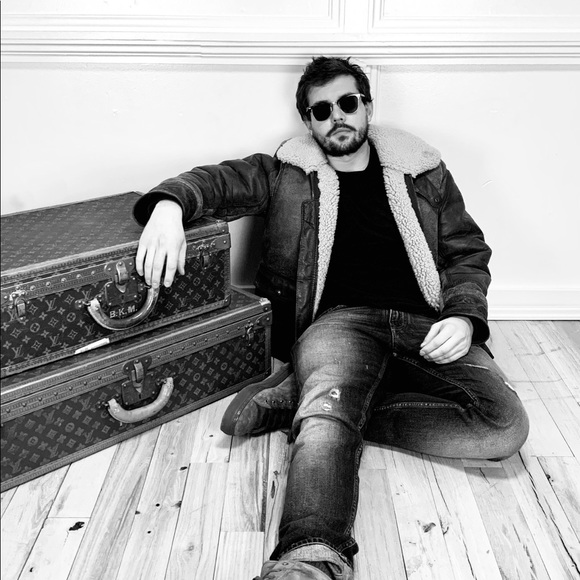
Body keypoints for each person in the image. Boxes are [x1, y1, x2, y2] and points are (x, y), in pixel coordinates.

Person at [133, 56, 529, 580]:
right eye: (321, 110)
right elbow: (215, 181)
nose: (337, 116)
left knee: (503, 426)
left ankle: (302, 402)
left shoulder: (422, 169)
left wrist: (463, 317)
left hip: (426, 322)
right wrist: (167, 206)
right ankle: (310, 555)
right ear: (309, 121)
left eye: (347, 103)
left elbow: (466, 251)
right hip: (339, 324)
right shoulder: (285, 173)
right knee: (327, 419)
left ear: (367, 106)